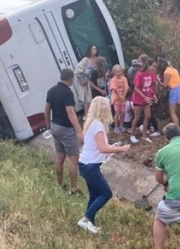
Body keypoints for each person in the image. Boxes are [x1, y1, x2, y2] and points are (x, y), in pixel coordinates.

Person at [77, 96, 131, 234]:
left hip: (84, 164)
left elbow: (98, 147)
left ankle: (89, 221)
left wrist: (111, 147)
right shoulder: (98, 125)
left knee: (95, 194)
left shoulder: (91, 124)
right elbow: (102, 148)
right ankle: (86, 219)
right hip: (90, 166)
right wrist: (121, 149)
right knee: (106, 193)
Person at [45, 68, 84, 195]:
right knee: (73, 159)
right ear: (71, 78)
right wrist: (79, 130)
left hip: (54, 126)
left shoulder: (51, 90)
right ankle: (74, 189)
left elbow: (46, 110)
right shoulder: (67, 93)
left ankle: (60, 184)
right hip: (66, 129)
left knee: (59, 157)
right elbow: (70, 111)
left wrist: (48, 125)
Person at [129, 58, 159, 144]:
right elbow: (136, 88)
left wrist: (154, 95)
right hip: (138, 98)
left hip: (147, 97)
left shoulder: (152, 74)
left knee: (148, 116)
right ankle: (132, 135)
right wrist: (144, 96)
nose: (154, 68)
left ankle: (144, 135)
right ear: (148, 65)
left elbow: (151, 86)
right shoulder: (140, 74)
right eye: (153, 66)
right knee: (137, 117)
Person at [158, 57, 180, 126]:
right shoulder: (173, 69)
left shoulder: (166, 72)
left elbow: (165, 85)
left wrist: (158, 80)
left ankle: (177, 128)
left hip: (174, 90)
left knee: (172, 112)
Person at [73, 44, 98, 115]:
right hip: (88, 82)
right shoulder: (86, 59)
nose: (94, 50)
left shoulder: (98, 59)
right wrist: (85, 73)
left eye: (95, 49)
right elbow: (78, 70)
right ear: (90, 50)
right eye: (93, 49)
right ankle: (87, 117)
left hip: (96, 81)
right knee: (88, 101)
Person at [109, 64, 129, 133]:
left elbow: (126, 88)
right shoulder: (113, 80)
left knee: (123, 113)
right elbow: (114, 89)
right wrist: (120, 97)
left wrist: (123, 96)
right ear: (114, 72)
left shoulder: (124, 78)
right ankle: (116, 127)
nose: (118, 73)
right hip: (116, 99)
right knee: (117, 112)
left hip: (123, 98)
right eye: (117, 72)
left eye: (120, 71)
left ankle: (121, 125)